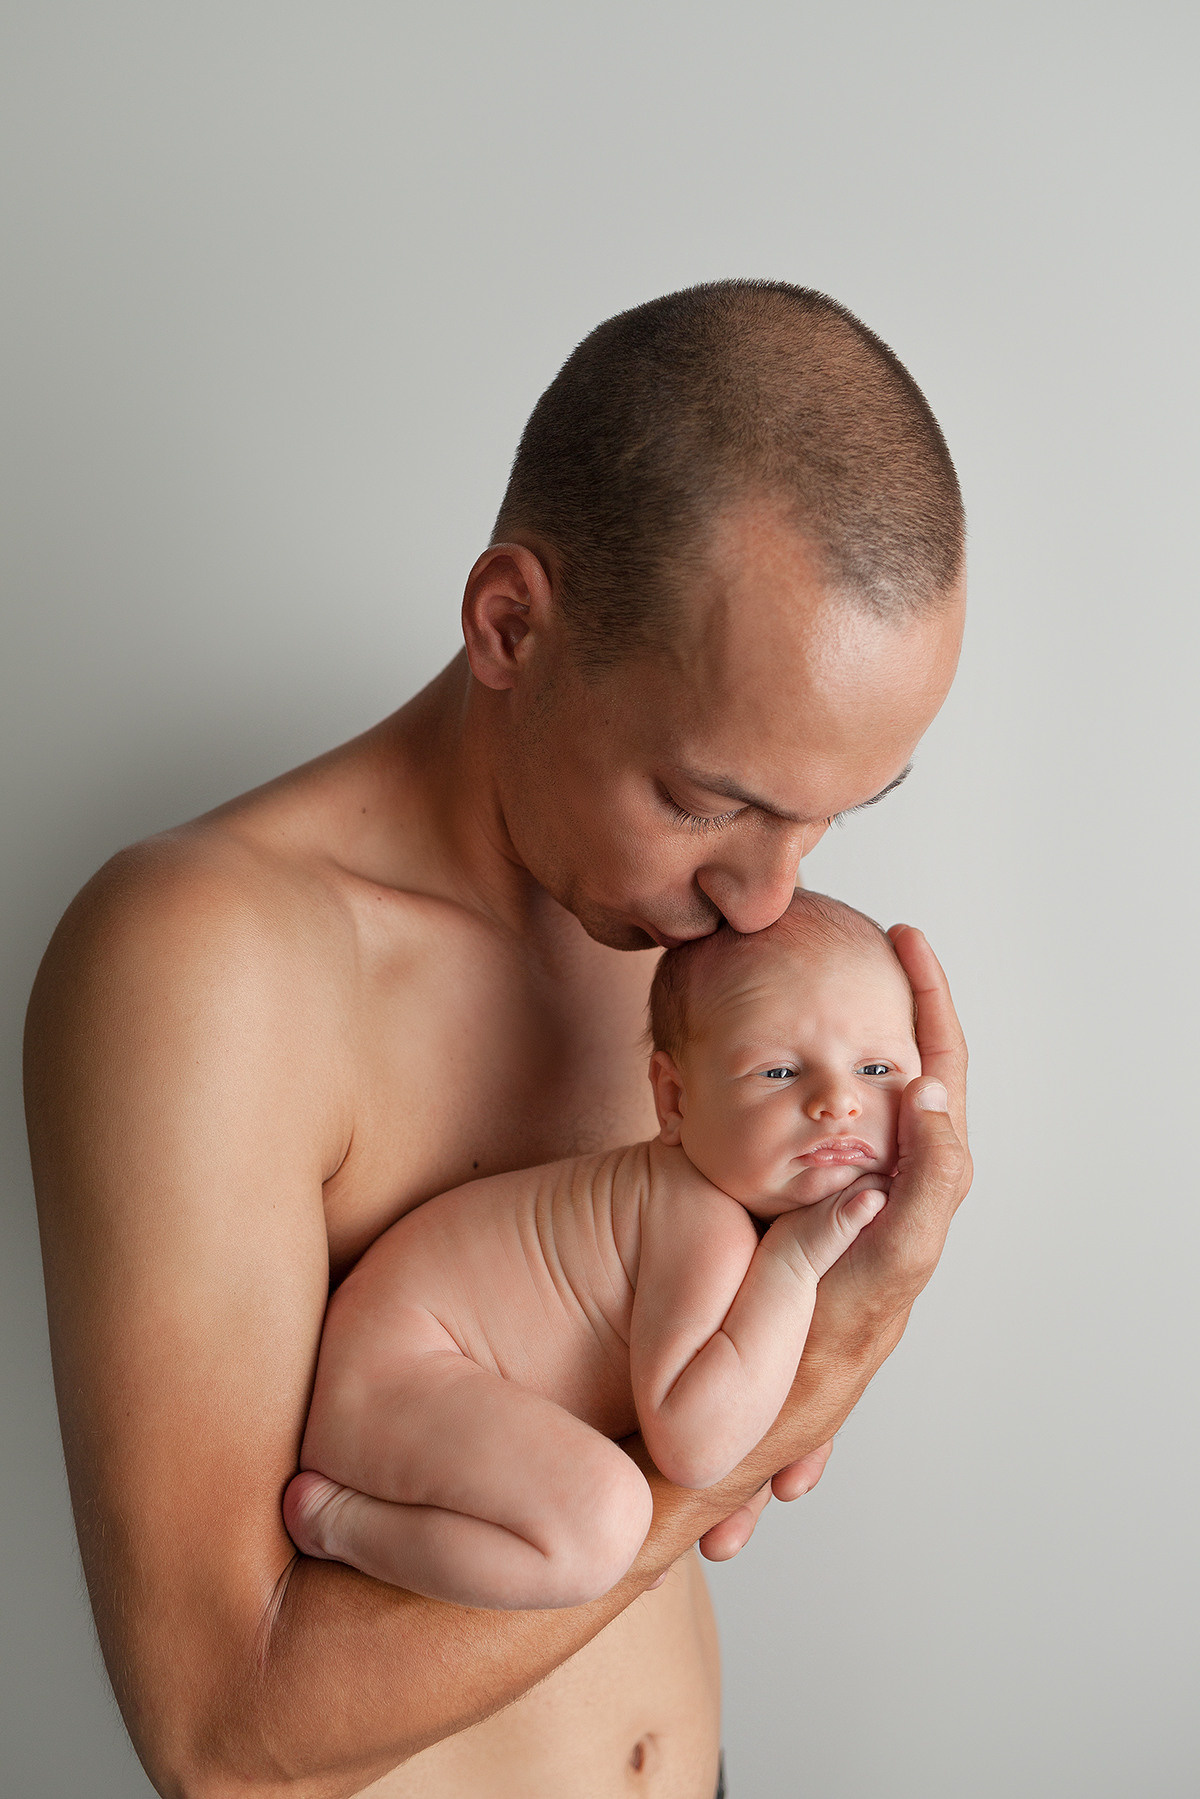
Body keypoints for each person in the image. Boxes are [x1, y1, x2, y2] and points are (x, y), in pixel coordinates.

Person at [24, 281, 971, 1799]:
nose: (767, 894)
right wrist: (819, 1359)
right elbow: (221, 1739)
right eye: (709, 797)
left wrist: (879, 1241)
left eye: (835, 814)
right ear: (510, 624)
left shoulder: (710, 959)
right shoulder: (214, 961)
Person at [285, 891, 918, 1612]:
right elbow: (694, 1447)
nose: (838, 1102)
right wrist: (795, 1264)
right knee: (604, 1521)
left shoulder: (711, 1200)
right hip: (394, 1376)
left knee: (596, 1517)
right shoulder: (699, 1216)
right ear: (674, 1101)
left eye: (877, 1070)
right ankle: (337, 1521)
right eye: (778, 1072)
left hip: (397, 1362)